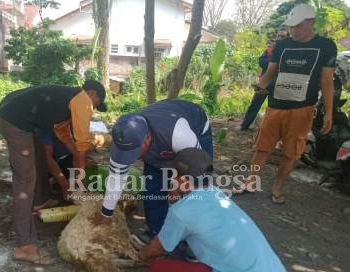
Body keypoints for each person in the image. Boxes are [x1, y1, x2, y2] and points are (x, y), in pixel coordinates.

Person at [233, 4, 337, 204]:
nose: (293, 30)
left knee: (291, 152)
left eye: (297, 26)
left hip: (302, 109)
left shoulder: (326, 46)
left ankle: (277, 188)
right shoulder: (282, 45)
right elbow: (271, 72)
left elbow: (327, 81)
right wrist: (260, 85)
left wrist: (329, 112)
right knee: (262, 148)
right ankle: (250, 182)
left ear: (311, 22)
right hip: (275, 106)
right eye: (291, 27)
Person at [0, 80, 107, 264]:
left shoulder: (65, 101)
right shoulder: (83, 101)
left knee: (38, 156)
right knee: (24, 181)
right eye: (96, 104)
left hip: (10, 111)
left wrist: (80, 159)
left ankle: (40, 200)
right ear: (93, 94)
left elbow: (66, 138)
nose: (93, 108)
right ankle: (25, 246)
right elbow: (82, 147)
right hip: (15, 120)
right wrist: (80, 185)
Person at [139, 148, 286, 272]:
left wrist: (140, 255)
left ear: (183, 181)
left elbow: (157, 249)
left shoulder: (181, 212)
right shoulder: (216, 193)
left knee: (158, 266)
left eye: (174, 175)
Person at [92, 99, 213, 237]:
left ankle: (197, 238)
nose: (132, 158)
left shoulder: (179, 134)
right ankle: (157, 232)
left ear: (148, 138)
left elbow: (196, 170)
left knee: (196, 191)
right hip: (160, 145)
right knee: (153, 188)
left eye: (134, 152)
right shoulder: (124, 139)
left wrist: (176, 187)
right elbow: (116, 178)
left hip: (195, 128)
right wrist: (106, 213)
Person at [241, 29, 289, 131]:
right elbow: (261, 61)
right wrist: (273, 63)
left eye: (283, 36)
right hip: (264, 83)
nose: (280, 38)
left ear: (287, 38)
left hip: (279, 84)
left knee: (274, 108)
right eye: (279, 36)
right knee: (254, 104)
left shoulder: (290, 51)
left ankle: (271, 130)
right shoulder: (269, 50)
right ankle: (244, 126)